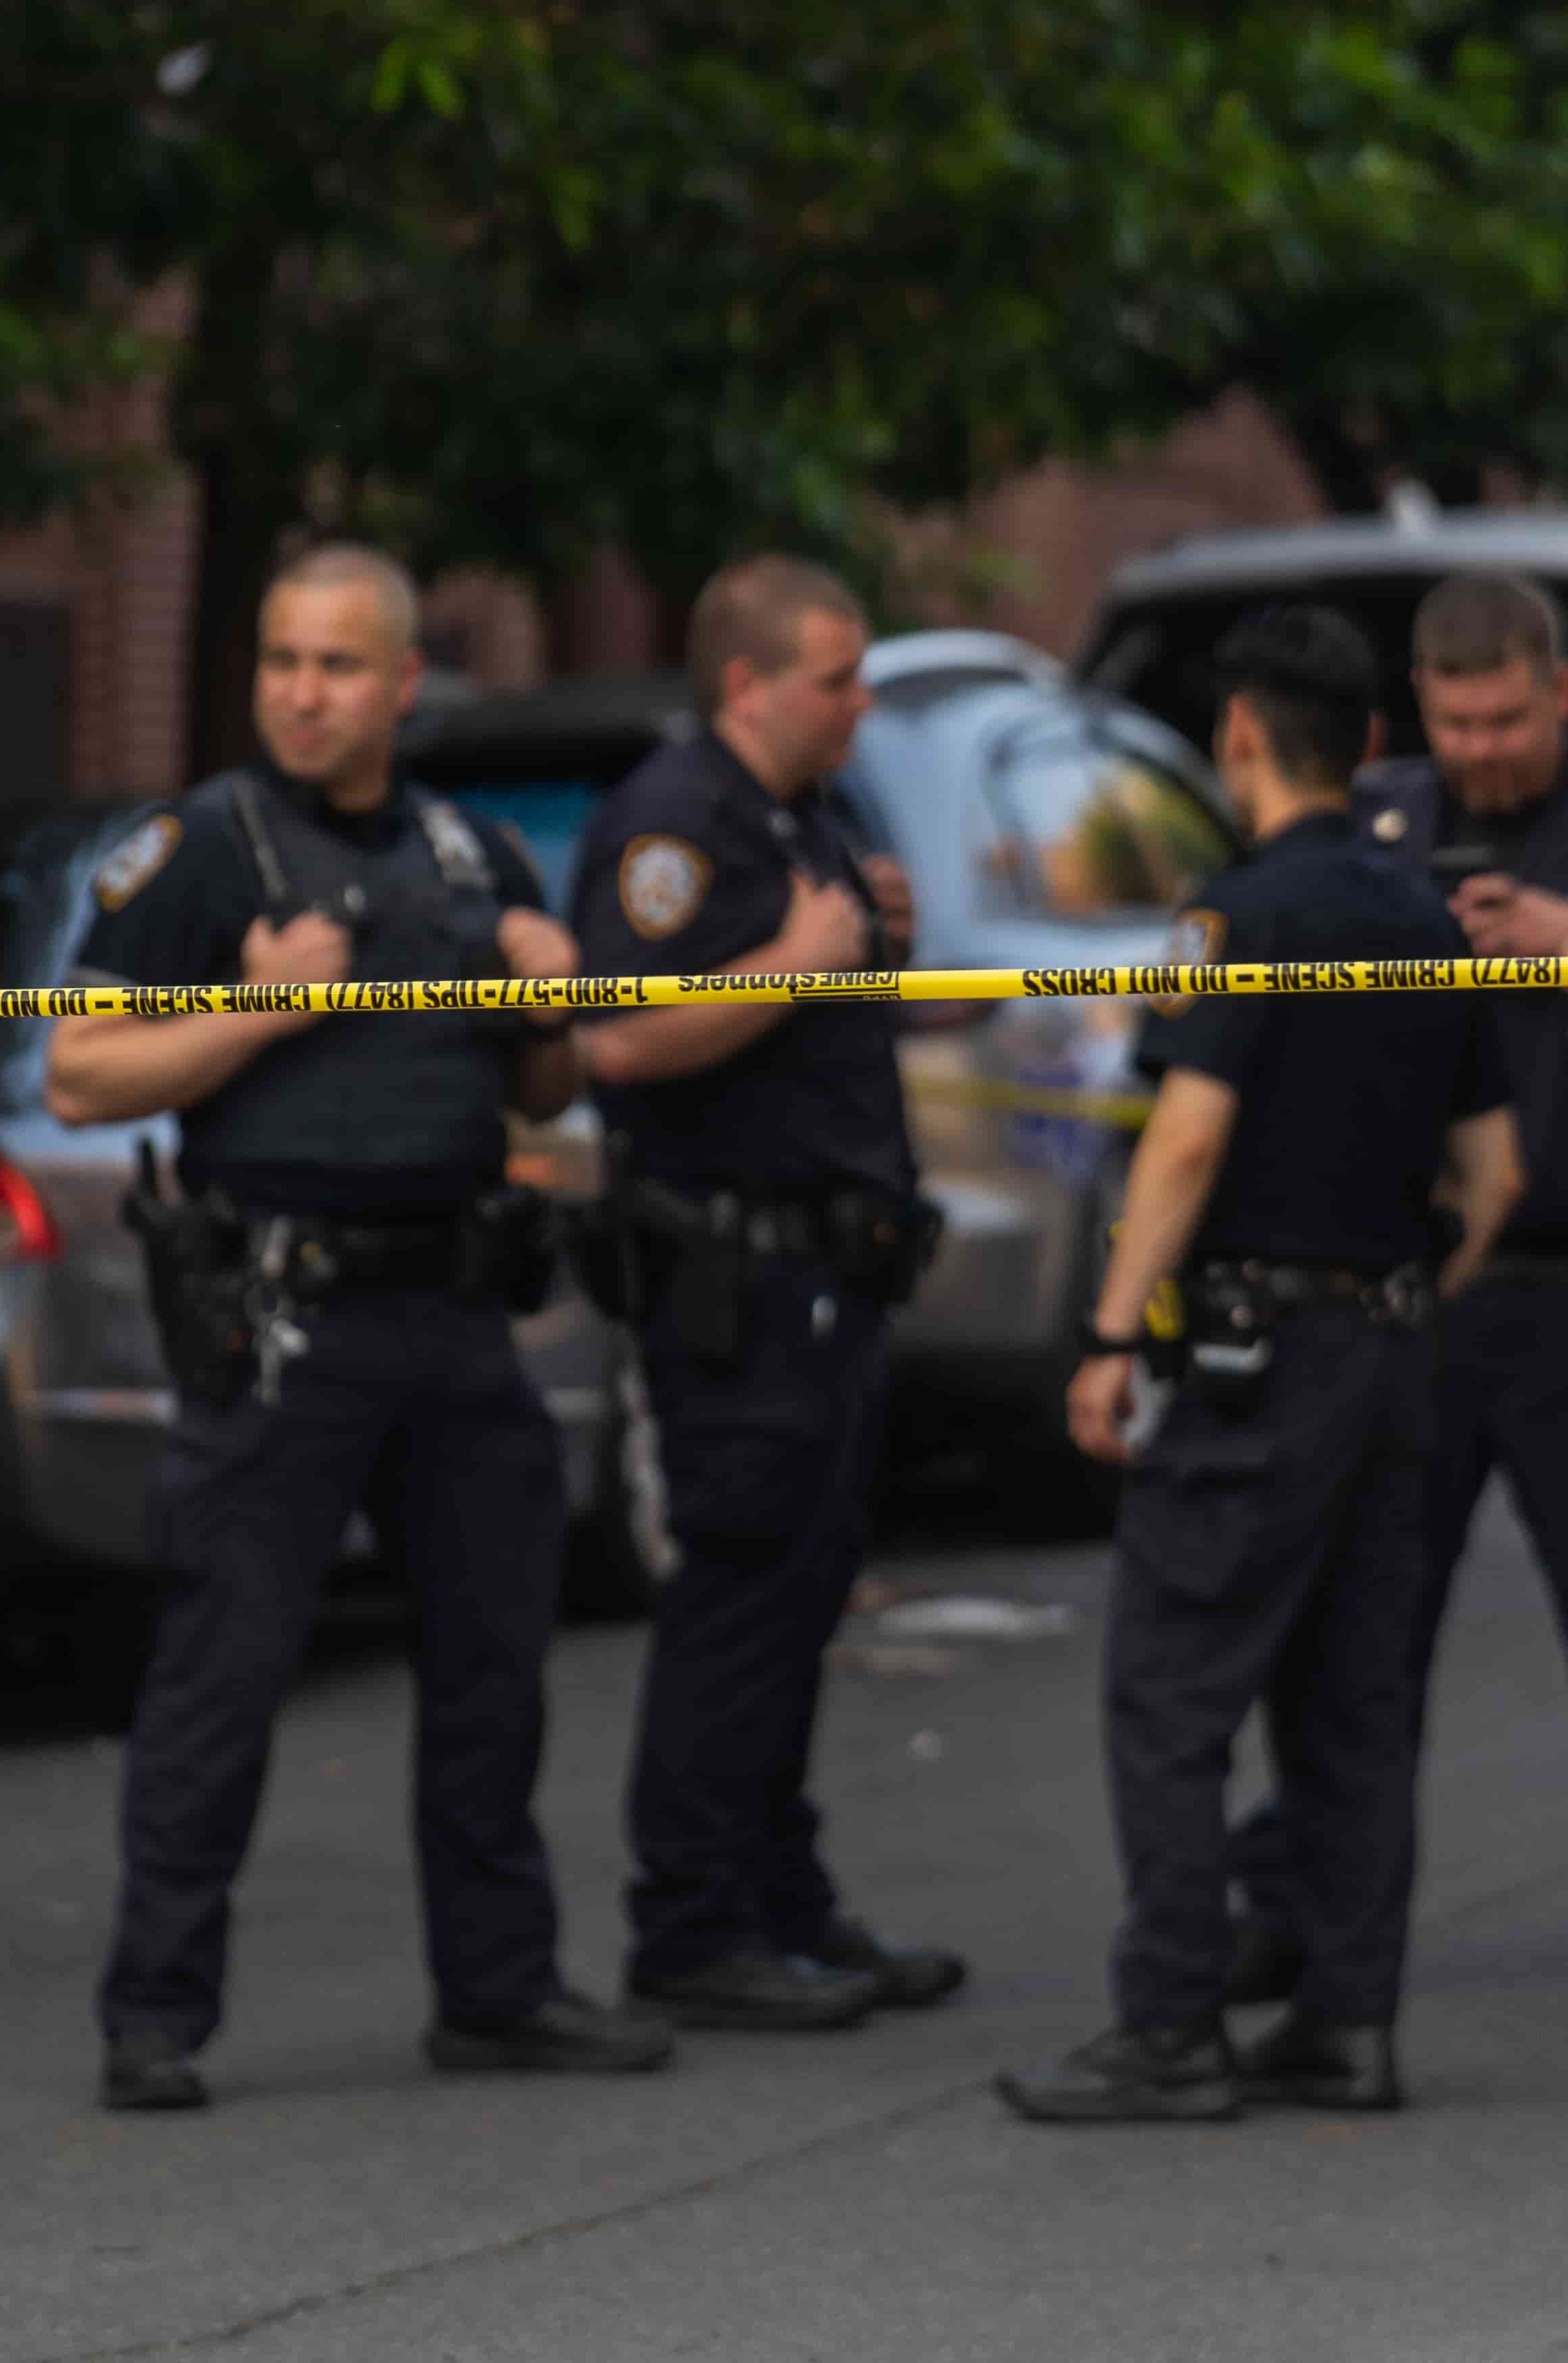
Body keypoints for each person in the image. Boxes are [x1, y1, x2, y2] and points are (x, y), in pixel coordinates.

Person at [46, 543, 670, 2110]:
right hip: (284, 1317)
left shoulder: (473, 858)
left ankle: (500, 1988)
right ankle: (155, 2011)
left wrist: (552, 1010)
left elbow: (540, 1089)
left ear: (405, 682)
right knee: (222, 1675)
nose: (301, 693)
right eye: (279, 662)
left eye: (335, 665)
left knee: (491, 1671)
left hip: (454, 1314)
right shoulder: (199, 848)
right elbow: (79, 1072)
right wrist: (264, 1004)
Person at [1226, 571, 1568, 2017]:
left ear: (1559, 693)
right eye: (1454, 719)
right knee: (1356, 1636)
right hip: (1407, 1294)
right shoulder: (1373, 820)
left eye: (1505, 718)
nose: (1479, 748)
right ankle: (1292, 1909)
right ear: (1416, 705)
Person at [997, 605, 1523, 2125]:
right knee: (1353, 1701)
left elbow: (1188, 1132)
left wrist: (1108, 1332)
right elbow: (1489, 1174)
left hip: (1251, 1355)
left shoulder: (1233, 914)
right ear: (1369, 742)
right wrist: (1399, 1287)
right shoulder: (1426, 919)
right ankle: (1346, 2021)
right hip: (1386, 1346)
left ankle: (1169, 2025)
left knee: (1170, 1691)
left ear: (1238, 732)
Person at [569, 555, 962, 2034]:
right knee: (739, 1589)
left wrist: (874, 949)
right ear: (745, 681)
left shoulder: (805, 812)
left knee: (800, 1590)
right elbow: (619, 1039)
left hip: (827, 1268)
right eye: (836, 677)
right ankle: (691, 1922)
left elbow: (835, 996)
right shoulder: (675, 821)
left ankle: (780, 1898)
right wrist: (799, 958)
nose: (859, 703)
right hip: (738, 1269)